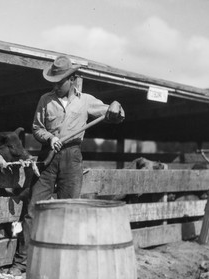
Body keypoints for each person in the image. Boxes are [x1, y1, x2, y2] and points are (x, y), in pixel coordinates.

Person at [7, 56, 125, 276]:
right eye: (53, 80)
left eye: (59, 81)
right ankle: (22, 262)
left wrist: (117, 107)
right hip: (48, 157)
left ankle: (66, 264)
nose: (55, 85)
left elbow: (114, 113)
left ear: (72, 80)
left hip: (72, 157)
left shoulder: (86, 101)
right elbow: (36, 127)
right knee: (33, 209)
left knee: (69, 210)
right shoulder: (45, 100)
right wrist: (49, 138)